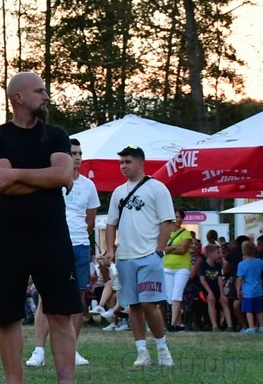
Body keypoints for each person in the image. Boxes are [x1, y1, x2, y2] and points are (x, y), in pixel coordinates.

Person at [0, 72, 82, 384]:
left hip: (52, 236)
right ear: (18, 97)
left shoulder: (56, 135)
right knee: (7, 317)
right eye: (39, 91)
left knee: (60, 314)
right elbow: (1, 186)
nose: (46, 96)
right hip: (9, 238)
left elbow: (63, 175)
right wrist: (45, 179)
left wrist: (18, 174)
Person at [102, 144, 176, 368]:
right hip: (125, 256)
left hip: (148, 255)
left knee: (149, 304)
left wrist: (159, 251)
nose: (123, 166)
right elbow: (110, 224)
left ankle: (162, 348)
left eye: (128, 162)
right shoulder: (118, 192)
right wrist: (110, 249)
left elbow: (167, 222)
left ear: (141, 163)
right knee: (132, 305)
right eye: (121, 162)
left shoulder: (157, 188)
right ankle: (142, 351)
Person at [28, 137, 99, 367]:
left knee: (76, 299)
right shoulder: (52, 180)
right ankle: (39, 350)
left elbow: (90, 221)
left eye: (79, 153)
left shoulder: (89, 186)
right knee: (45, 297)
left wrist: (78, 238)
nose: (77, 157)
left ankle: (72, 349)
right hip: (52, 244)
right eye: (72, 153)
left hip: (79, 246)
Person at [163, 209, 196, 331]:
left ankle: (173, 322)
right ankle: (176, 320)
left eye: (179, 217)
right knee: (170, 296)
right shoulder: (165, 233)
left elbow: (183, 250)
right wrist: (174, 247)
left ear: (182, 219)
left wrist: (169, 248)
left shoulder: (185, 234)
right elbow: (162, 248)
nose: (177, 219)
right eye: (175, 217)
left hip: (182, 268)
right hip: (167, 267)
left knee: (177, 294)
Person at [238, 240, 263, 332]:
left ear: (243, 251)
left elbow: (240, 278)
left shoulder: (242, 264)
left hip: (248, 291)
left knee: (248, 310)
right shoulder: (259, 261)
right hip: (258, 289)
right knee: (259, 309)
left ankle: (251, 327)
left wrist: (238, 290)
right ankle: (262, 327)